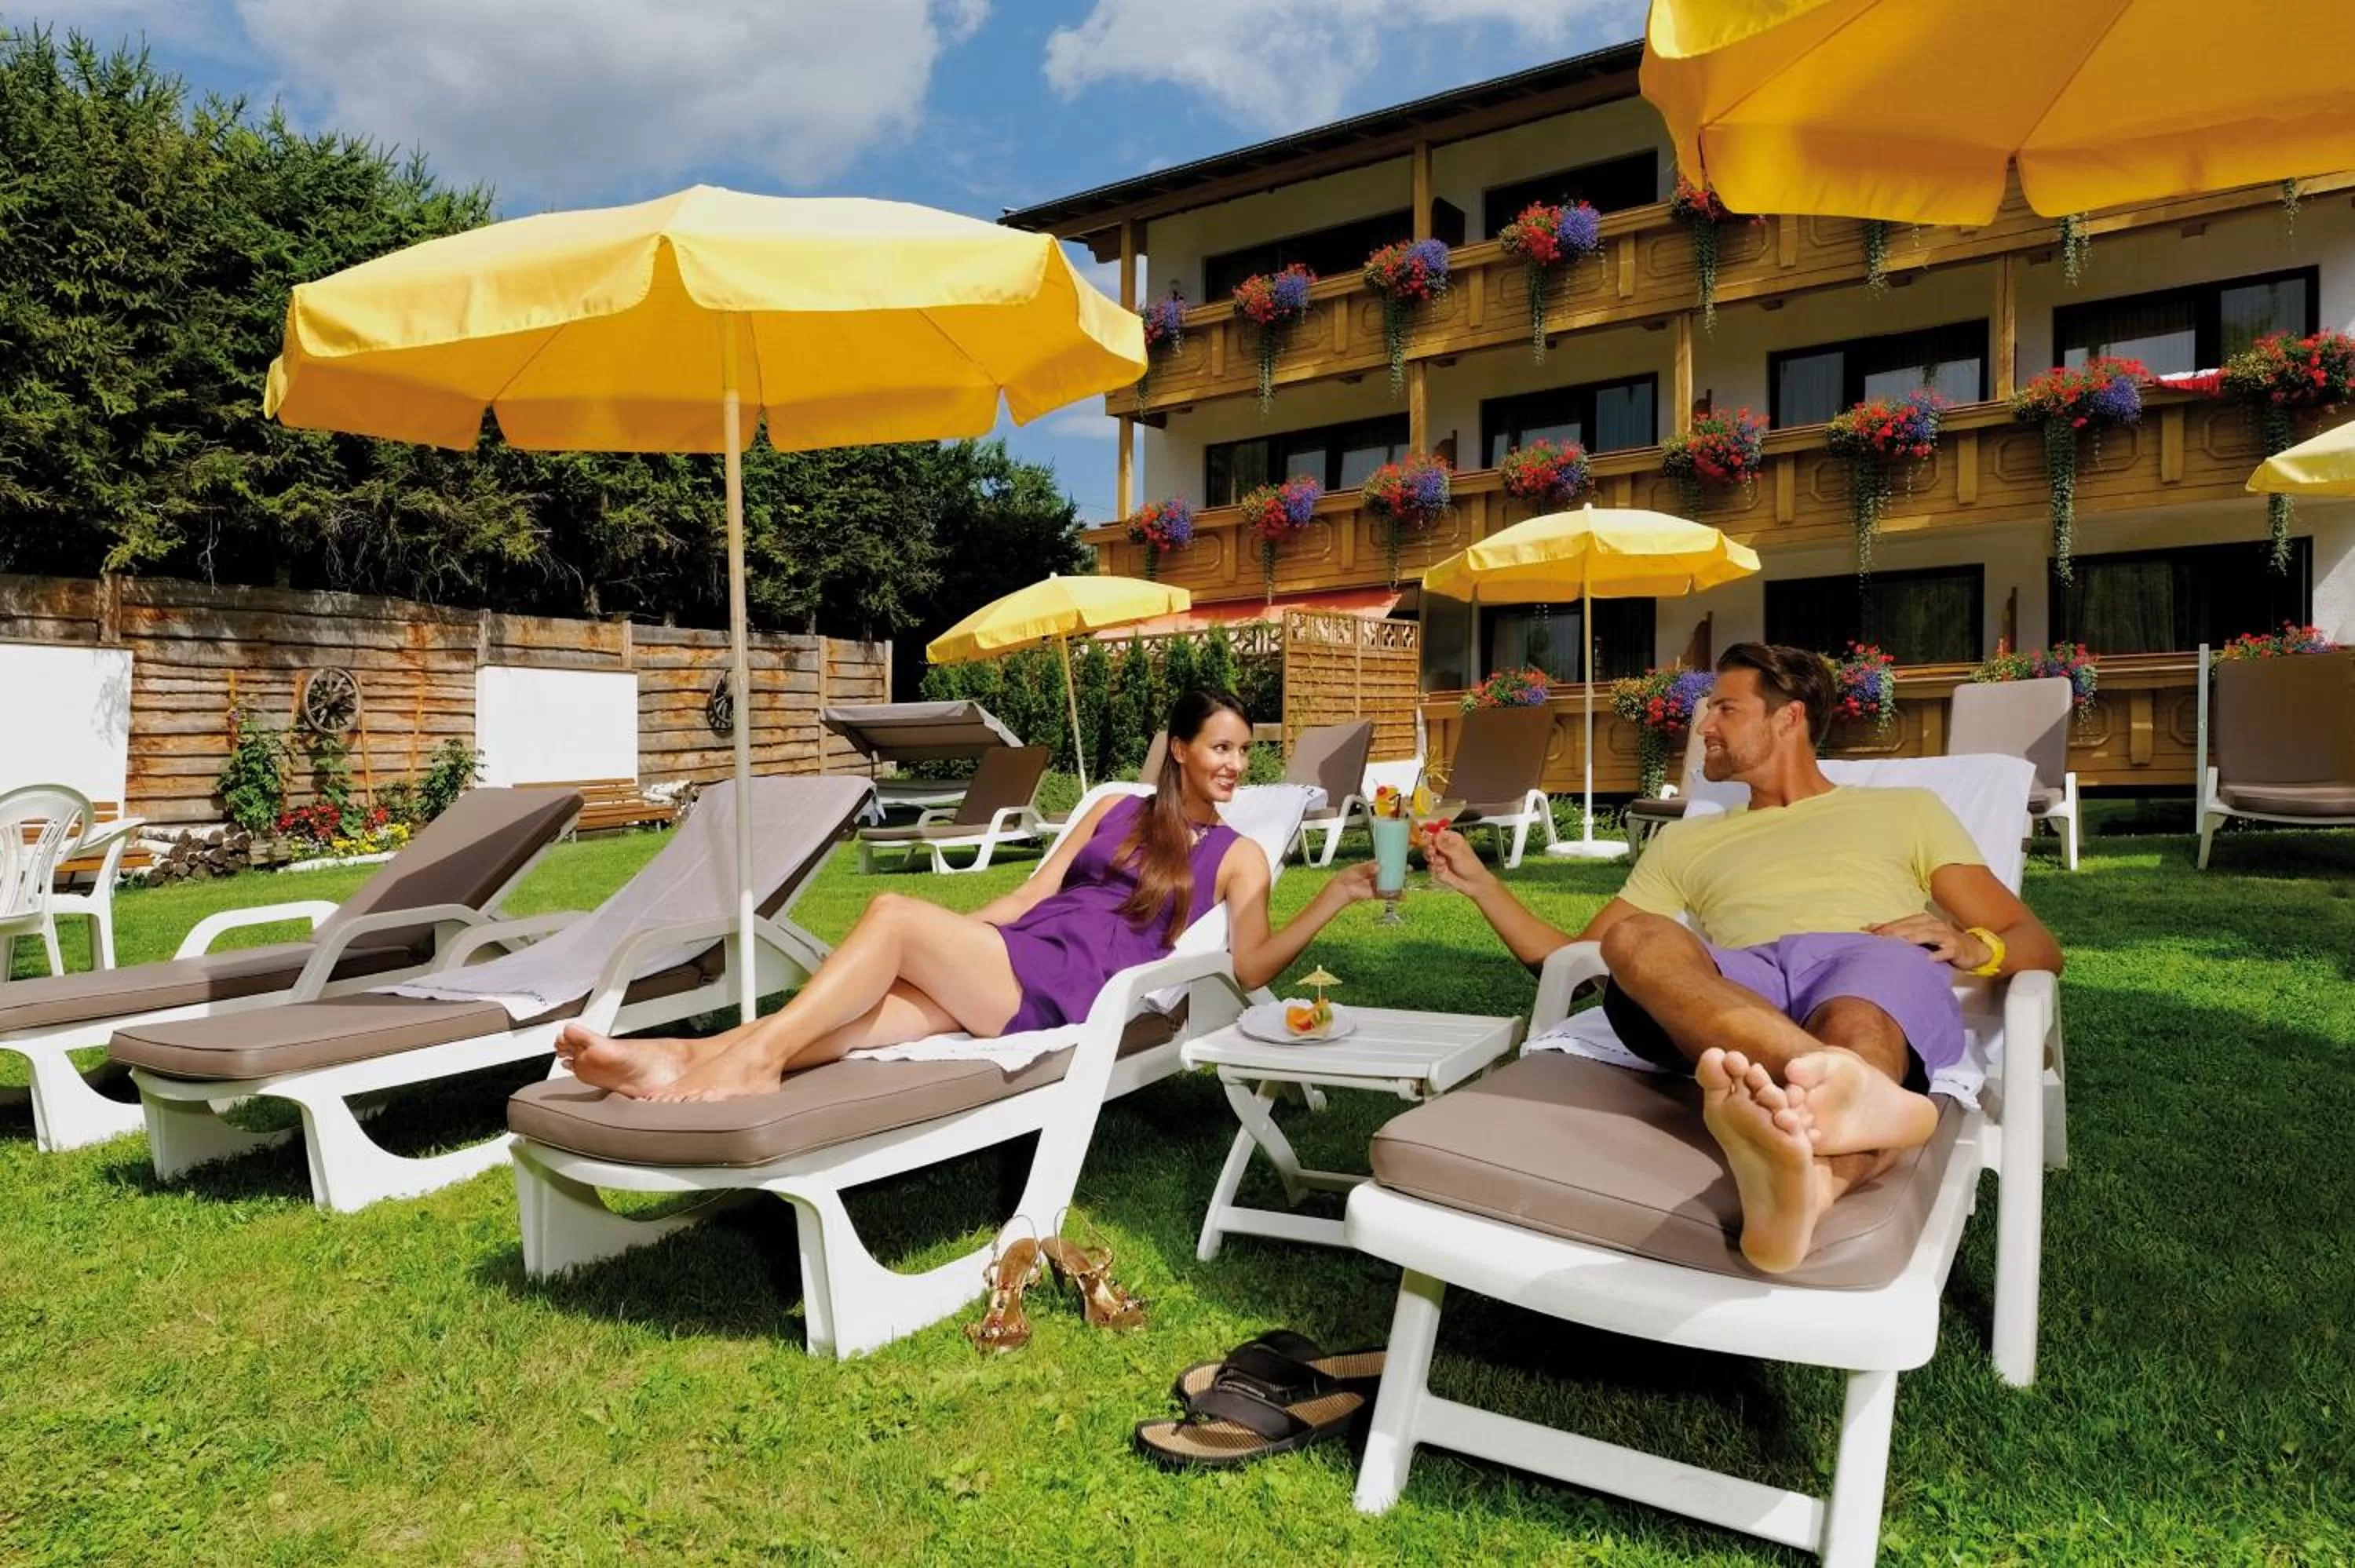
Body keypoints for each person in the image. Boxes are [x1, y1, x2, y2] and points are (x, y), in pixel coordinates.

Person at [1426, 642, 2063, 1273]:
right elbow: (1575, 962)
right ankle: (1844, 1088)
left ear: (1789, 719)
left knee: (1859, 1021)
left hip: (1872, 958)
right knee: (1635, 938)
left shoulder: (1905, 810)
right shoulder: (1684, 841)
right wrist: (1483, 886)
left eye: (1726, 709)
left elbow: (2033, 941)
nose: (1704, 724)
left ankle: (1814, 1183)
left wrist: (1975, 945)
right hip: (1738, 982)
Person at [560, 687, 1378, 1102]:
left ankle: (757, 1063)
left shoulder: (1238, 857)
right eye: (1221, 749)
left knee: (888, 913)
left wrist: (1334, 895)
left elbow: (1252, 963)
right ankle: (674, 1060)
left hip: (1070, 987)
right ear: (1181, 752)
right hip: (1018, 955)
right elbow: (1027, 898)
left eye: (1243, 751)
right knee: (861, 1022)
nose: (1236, 766)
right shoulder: (1111, 807)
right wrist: (947, 940)